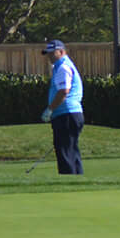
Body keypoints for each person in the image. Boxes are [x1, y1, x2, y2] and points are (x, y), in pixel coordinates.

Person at [39, 39, 85, 175]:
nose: (50, 56)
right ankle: (77, 181)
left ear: (61, 51)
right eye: (48, 54)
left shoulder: (63, 67)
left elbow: (63, 91)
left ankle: (69, 181)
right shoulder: (63, 66)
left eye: (53, 53)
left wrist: (50, 109)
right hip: (72, 114)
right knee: (71, 151)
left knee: (65, 152)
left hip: (66, 114)